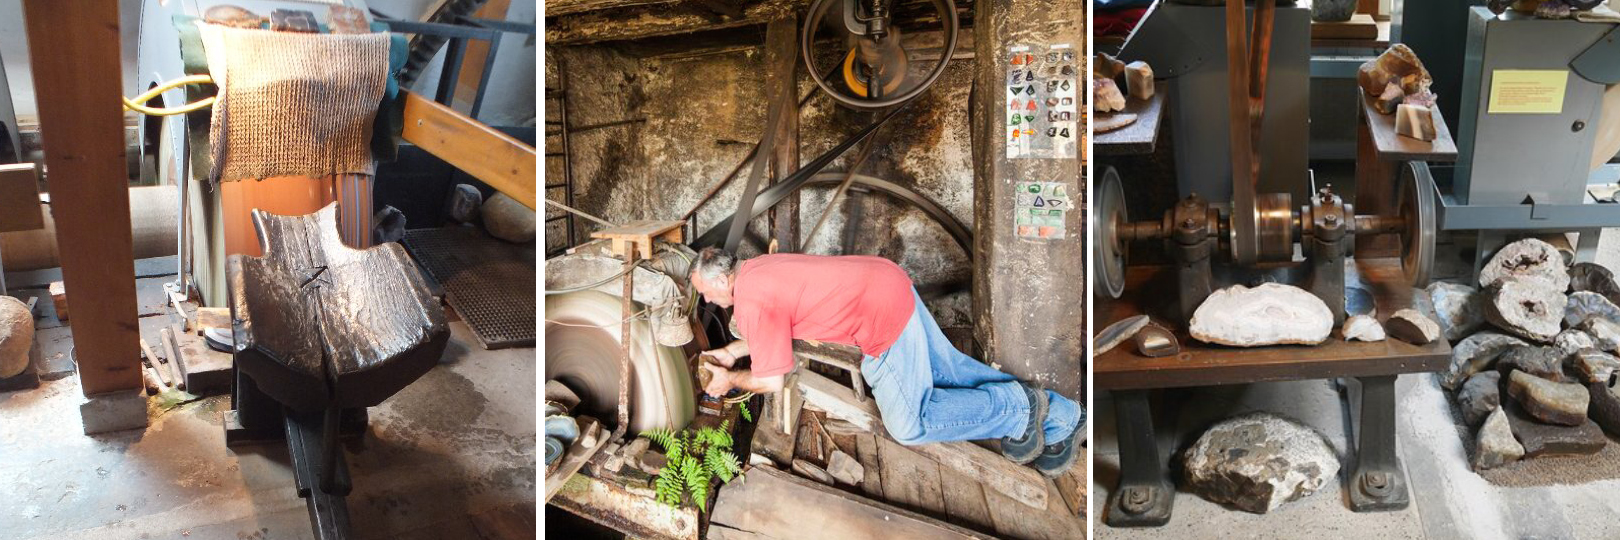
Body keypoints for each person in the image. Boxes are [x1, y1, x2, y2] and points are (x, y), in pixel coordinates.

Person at [689, 247, 1084, 476]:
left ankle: (1019, 408)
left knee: (910, 425)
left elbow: (773, 379)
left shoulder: (751, 299)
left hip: (879, 319)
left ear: (723, 281)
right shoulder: (756, 268)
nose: (706, 301)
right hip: (890, 283)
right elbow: (779, 323)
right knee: (952, 372)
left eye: (704, 292)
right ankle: (1067, 417)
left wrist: (730, 381)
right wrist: (732, 352)